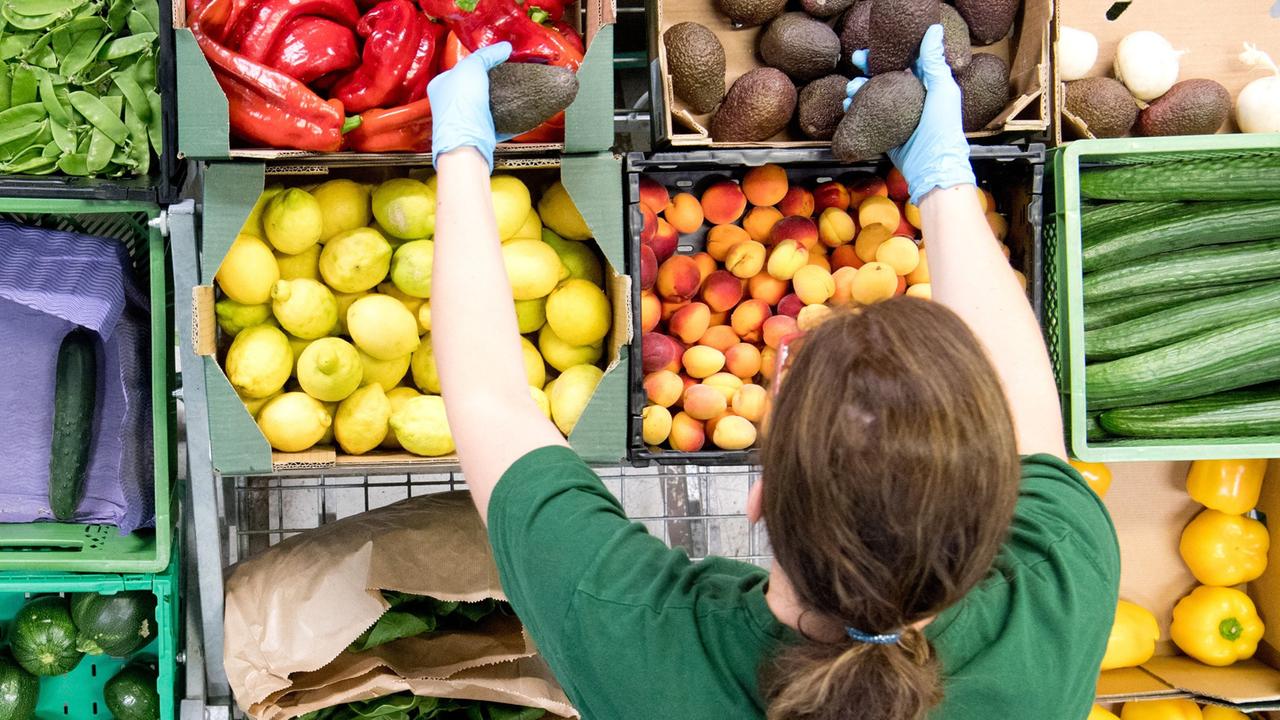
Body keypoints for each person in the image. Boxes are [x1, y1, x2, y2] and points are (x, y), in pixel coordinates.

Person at [427, 24, 1120, 720]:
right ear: (996, 506)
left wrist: (461, 150)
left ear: (757, 500)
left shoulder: (638, 635)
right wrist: (943, 175)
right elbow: (1028, 409)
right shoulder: (1057, 585)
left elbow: (490, 400)